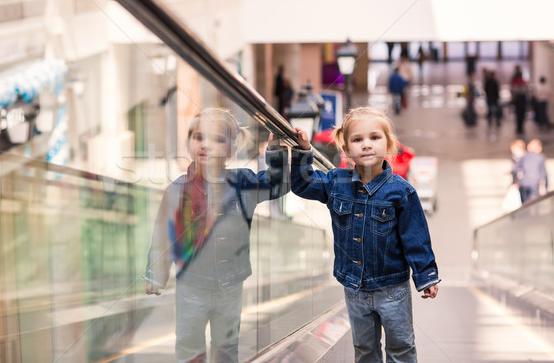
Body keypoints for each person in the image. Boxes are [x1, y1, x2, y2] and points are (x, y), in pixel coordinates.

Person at [290, 106, 440, 363]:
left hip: (392, 288)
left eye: (374, 138)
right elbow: (303, 184)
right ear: (346, 150)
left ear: (388, 144)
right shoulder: (336, 182)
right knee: (364, 349)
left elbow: (415, 236)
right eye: (357, 140)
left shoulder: (401, 192)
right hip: (355, 288)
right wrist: (303, 151)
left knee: (401, 347)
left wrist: (426, 276)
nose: (366, 145)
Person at [144, 108, 288, 362]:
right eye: (199, 137)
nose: (206, 145)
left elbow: (277, 185)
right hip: (191, 285)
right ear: (189, 143)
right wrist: (156, 273)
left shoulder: (243, 183)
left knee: (226, 348)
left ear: (231, 150)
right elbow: (163, 236)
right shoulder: (177, 190)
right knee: (188, 345)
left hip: (230, 286)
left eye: (218, 139)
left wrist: (274, 149)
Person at [514, 138, 548, 204]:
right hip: (534, 183)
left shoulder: (524, 157)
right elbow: (543, 173)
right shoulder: (540, 158)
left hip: (523, 183)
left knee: (524, 202)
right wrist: (545, 186)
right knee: (533, 202)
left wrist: (516, 181)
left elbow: (516, 169)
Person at [510, 65, 529, 135]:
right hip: (522, 99)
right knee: (521, 113)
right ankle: (520, 127)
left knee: (518, 114)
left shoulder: (514, 81)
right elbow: (526, 90)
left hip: (517, 99)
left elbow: (512, 90)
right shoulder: (523, 82)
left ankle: (519, 127)